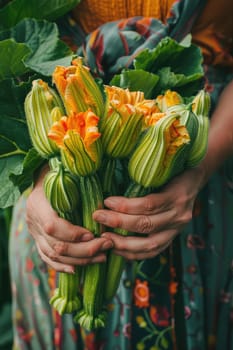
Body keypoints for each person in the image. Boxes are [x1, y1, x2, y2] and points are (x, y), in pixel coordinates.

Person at [9, 0, 233, 349]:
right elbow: (13, 40)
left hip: (209, 165)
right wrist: (40, 175)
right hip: (51, 205)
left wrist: (198, 166)